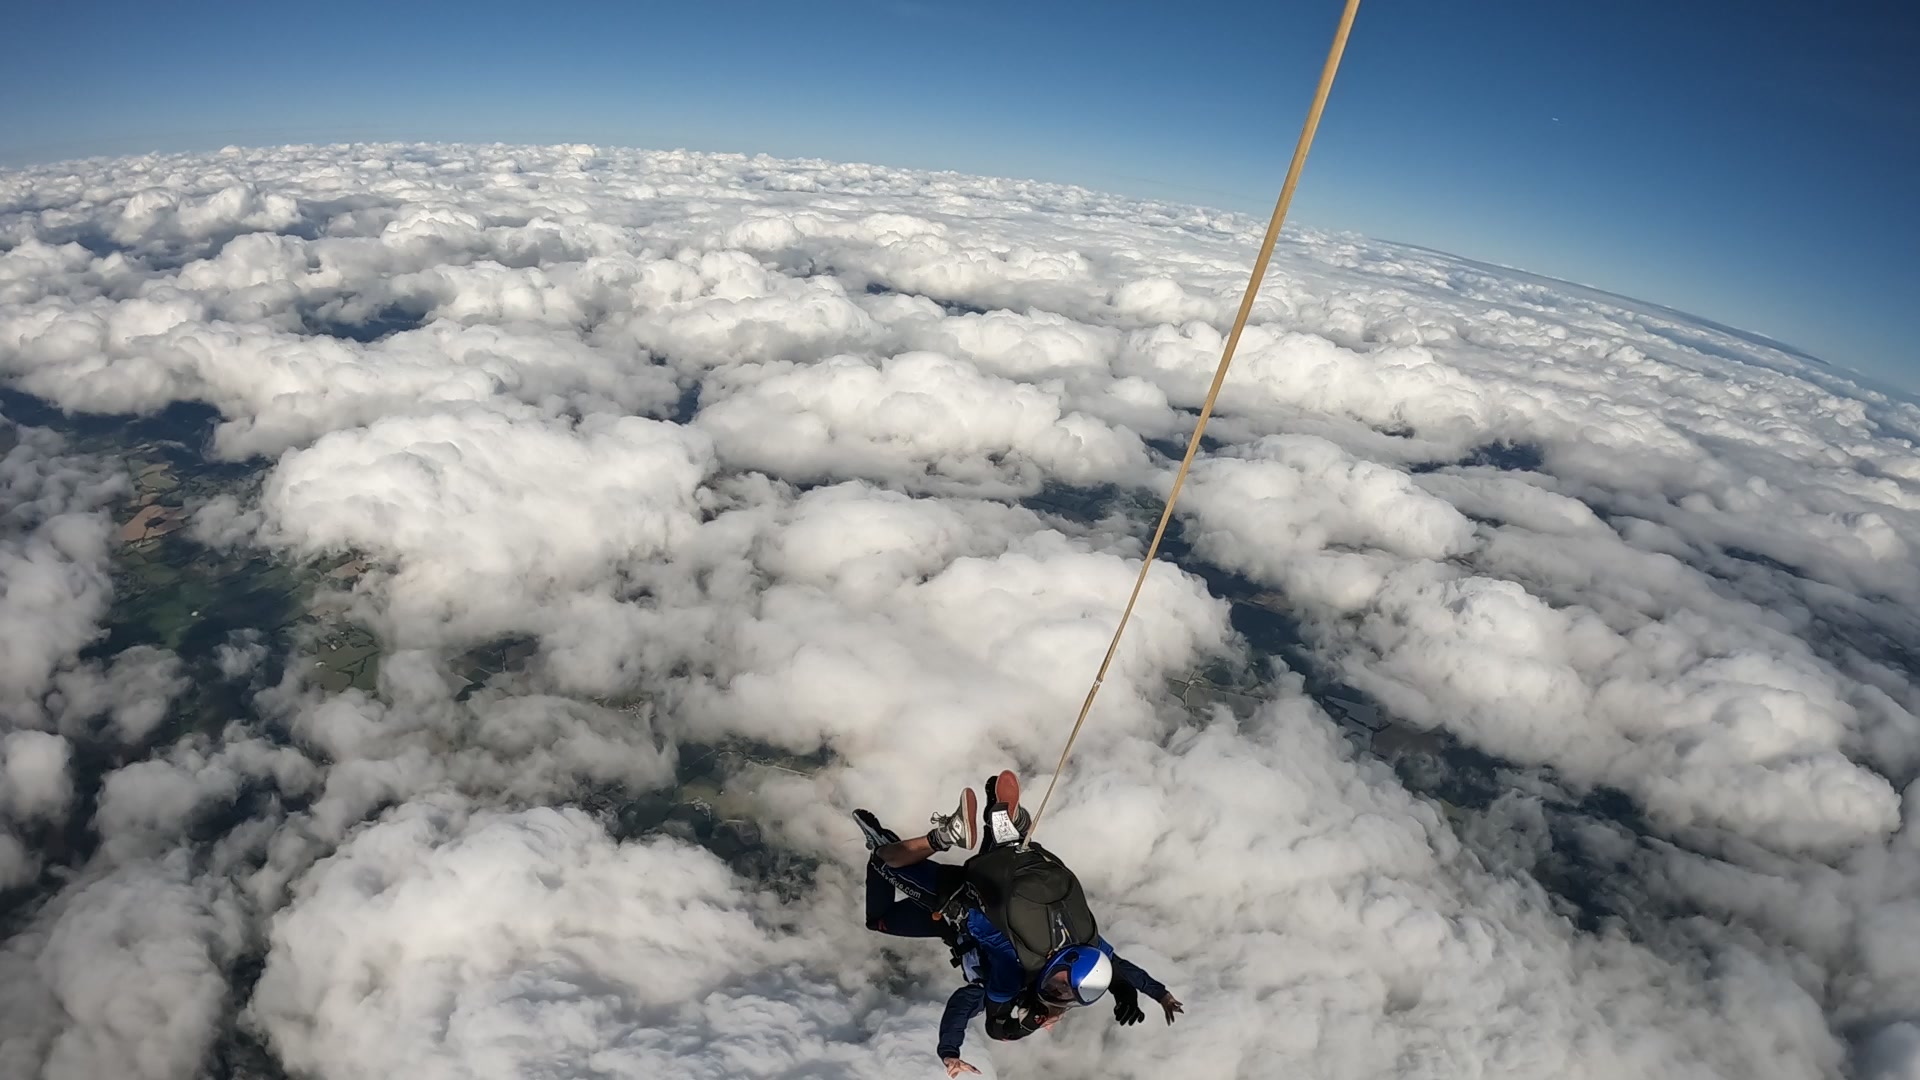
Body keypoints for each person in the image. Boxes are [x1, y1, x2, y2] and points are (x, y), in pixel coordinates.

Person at [855, 771, 1184, 1076]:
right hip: (955, 901)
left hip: (995, 890)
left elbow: (1115, 968)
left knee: (988, 862)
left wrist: (1159, 993)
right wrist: (949, 1050)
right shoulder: (1007, 983)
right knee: (883, 874)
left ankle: (1004, 828)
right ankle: (944, 835)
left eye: (1059, 991)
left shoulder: (1083, 945)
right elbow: (965, 1006)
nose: (1057, 987)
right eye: (1062, 987)